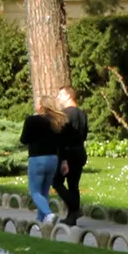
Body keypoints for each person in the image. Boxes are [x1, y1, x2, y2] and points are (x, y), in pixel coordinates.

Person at [19, 95, 66, 226]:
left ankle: (48, 213)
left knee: (34, 191)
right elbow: (60, 143)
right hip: (52, 159)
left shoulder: (32, 121)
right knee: (44, 191)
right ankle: (40, 222)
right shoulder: (56, 122)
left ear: (40, 106)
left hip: (37, 158)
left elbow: (24, 139)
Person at [54, 85, 89, 223]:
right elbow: (84, 134)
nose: (58, 98)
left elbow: (62, 137)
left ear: (69, 96)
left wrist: (63, 159)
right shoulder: (82, 114)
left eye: (60, 95)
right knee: (73, 184)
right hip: (79, 151)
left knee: (56, 182)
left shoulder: (65, 115)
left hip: (68, 153)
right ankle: (72, 217)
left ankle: (74, 209)